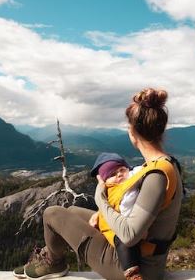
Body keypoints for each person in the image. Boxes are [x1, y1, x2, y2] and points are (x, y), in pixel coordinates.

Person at [14, 88, 183, 280]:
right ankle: (50, 258)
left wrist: (100, 198)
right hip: (141, 256)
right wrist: (102, 214)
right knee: (72, 212)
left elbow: (129, 235)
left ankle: (54, 263)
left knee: (52, 213)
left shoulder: (156, 176)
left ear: (132, 133)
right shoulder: (166, 164)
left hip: (134, 267)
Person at [88, 152, 144, 279]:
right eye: (112, 174)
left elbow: (140, 170)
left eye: (122, 170)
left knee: (124, 242)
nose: (119, 174)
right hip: (110, 223)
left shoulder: (131, 182)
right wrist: (99, 212)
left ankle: (132, 273)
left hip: (123, 226)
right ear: (105, 181)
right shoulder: (110, 189)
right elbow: (110, 203)